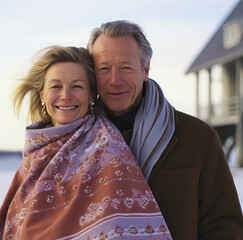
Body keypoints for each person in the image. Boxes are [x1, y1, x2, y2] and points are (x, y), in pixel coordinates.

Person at [0, 46, 173, 239]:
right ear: (42, 94)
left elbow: (119, 228)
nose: (66, 95)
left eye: (77, 86)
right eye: (55, 86)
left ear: (91, 95)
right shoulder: (37, 150)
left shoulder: (106, 149)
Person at [87, 20, 243, 240]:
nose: (115, 80)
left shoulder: (199, 138)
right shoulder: (76, 142)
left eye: (126, 68)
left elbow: (225, 227)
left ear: (145, 69)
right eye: (104, 68)